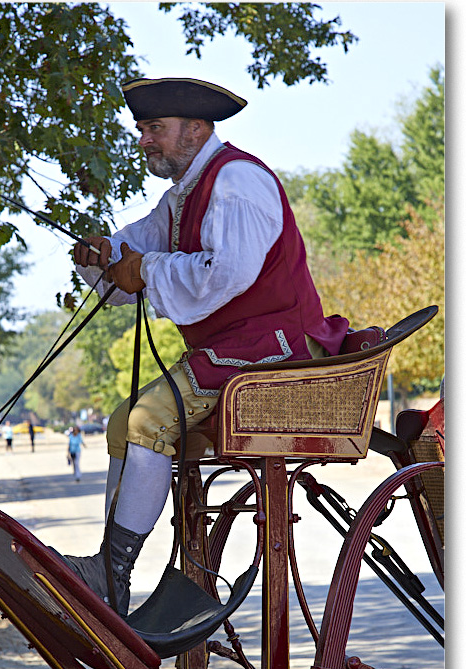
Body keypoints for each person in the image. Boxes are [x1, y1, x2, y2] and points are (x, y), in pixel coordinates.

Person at [57, 77, 350, 617]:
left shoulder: (236, 181)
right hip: (241, 353)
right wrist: (103, 255)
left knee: (148, 418)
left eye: (156, 130)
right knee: (123, 421)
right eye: (143, 130)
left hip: (279, 352)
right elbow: (137, 245)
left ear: (196, 129)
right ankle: (109, 573)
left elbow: (228, 272)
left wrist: (141, 269)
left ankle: (109, 573)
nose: (145, 140)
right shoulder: (185, 196)